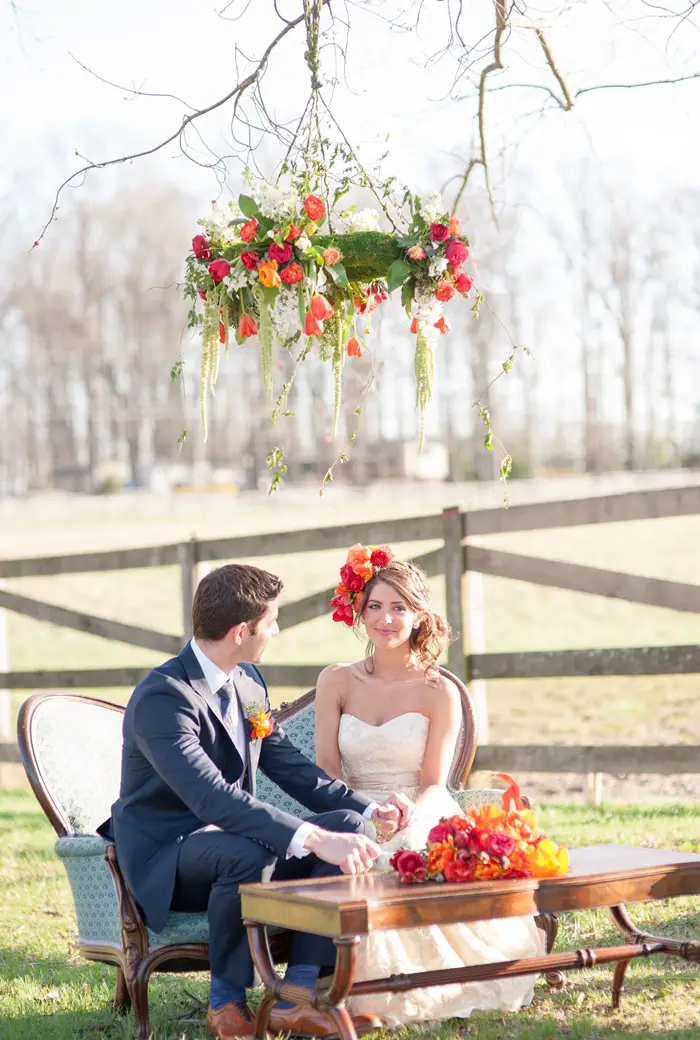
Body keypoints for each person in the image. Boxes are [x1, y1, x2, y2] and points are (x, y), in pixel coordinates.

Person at [99, 563, 414, 1040]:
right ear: (242, 631)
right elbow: (210, 797)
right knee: (250, 849)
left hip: (236, 842)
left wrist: (369, 808)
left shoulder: (246, 682)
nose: (277, 630)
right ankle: (225, 1005)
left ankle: (299, 997)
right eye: (272, 622)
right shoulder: (163, 698)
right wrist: (311, 836)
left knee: (348, 826)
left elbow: (289, 766)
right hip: (169, 853)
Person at [316, 546, 546, 1026]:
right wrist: (360, 815)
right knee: (351, 844)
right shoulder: (335, 681)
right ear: (360, 610)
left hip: (418, 805)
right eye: (376, 606)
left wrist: (404, 813)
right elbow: (326, 774)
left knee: (405, 845)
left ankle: (393, 988)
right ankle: (326, 976)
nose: (386, 618)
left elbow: (433, 783)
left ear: (419, 616)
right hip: (349, 807)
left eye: (400, 607)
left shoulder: (438, 690)